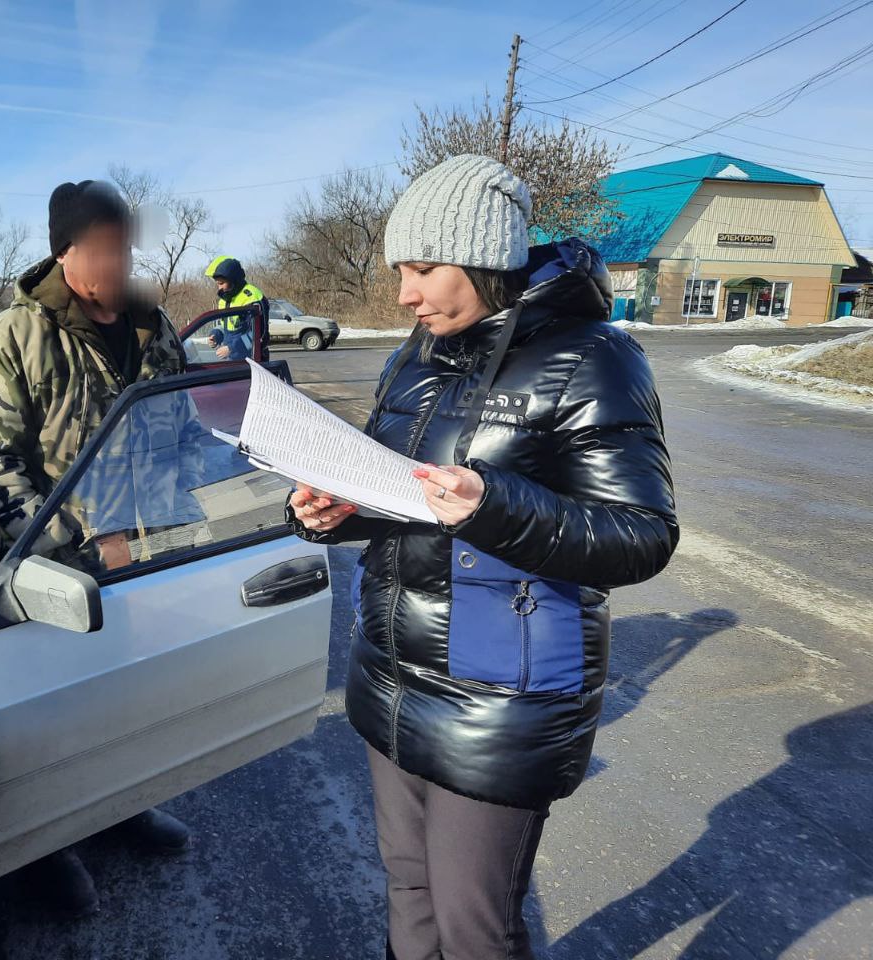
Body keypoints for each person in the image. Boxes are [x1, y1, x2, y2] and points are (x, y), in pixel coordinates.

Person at [288, 155, 679, 960]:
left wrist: (495, 504)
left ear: (484, 259)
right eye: (401, 269)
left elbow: (642, 532)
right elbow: (401, 490)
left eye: (423, 268)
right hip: (392, 668)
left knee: (474, 928)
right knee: (407, 888)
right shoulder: (416, 354)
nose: (404, 292)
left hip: (499, 696)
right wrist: (336, 510)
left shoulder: (593, 356)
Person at [0, 179, 193, 918]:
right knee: (62, 715)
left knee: (137, 697)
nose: (118, 262)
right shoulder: (16, 337)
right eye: (102, 248)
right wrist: (68, 546)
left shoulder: (156, 329)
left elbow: (184, 434)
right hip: (68, 570)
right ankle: (49, 846)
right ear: (64, 251)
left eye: (124, 246)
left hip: (154, 557)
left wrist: (190, 529)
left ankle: (126, 807)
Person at [204, 255, 269, 360]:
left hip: (253, 362)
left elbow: (259, 335)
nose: (219, 288)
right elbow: (226, 327)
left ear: (233, 280)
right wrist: (216, 335)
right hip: (234, 361)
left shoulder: (252, 297)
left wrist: (232, 348)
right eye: (217, 284)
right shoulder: (225, 299)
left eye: (221, 283)